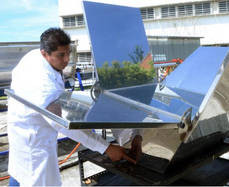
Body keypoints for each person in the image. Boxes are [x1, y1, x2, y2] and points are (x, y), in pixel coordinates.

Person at [7, 27, 143, 186]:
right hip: (34, 139)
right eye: (60, 55)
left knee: (20, 174)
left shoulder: (36, 56)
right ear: (44, 53)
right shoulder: (42, 84)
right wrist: (105, 147)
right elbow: (64, 123)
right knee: (34, 177)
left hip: (23, 129)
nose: (66, 60)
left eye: (68, 53)